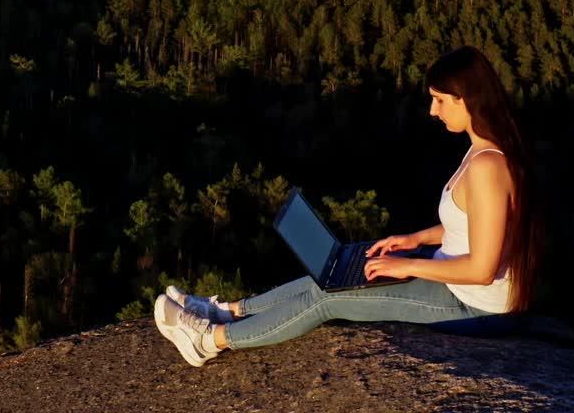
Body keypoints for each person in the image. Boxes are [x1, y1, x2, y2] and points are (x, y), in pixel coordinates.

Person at [153, 45, 545, 367]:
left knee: (329, 298)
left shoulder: (488, 165)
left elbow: (482, 269)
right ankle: (231, 310)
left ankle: (211, 340)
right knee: (341, 267)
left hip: (476, 309)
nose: (433, 111)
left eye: (440, 100)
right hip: (454, 279)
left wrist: (406, 265)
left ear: (467, 99)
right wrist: (412, 239)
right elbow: (475, 225)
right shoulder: (482, 154)